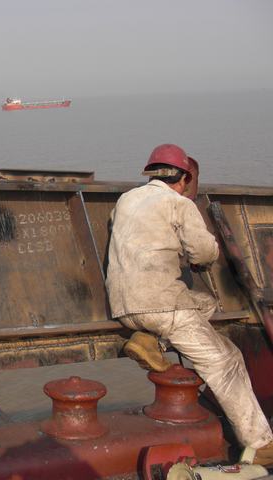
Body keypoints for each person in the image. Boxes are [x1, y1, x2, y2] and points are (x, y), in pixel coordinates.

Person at [106, 144, 273, 466]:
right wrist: (199, 259)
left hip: (124, 304)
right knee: (227, 360)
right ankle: (261, 442)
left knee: (205, 303)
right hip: (163, 305)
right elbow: (204, 251)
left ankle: (149, 340)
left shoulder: (126, 199)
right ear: (183, 178)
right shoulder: (179, 203)